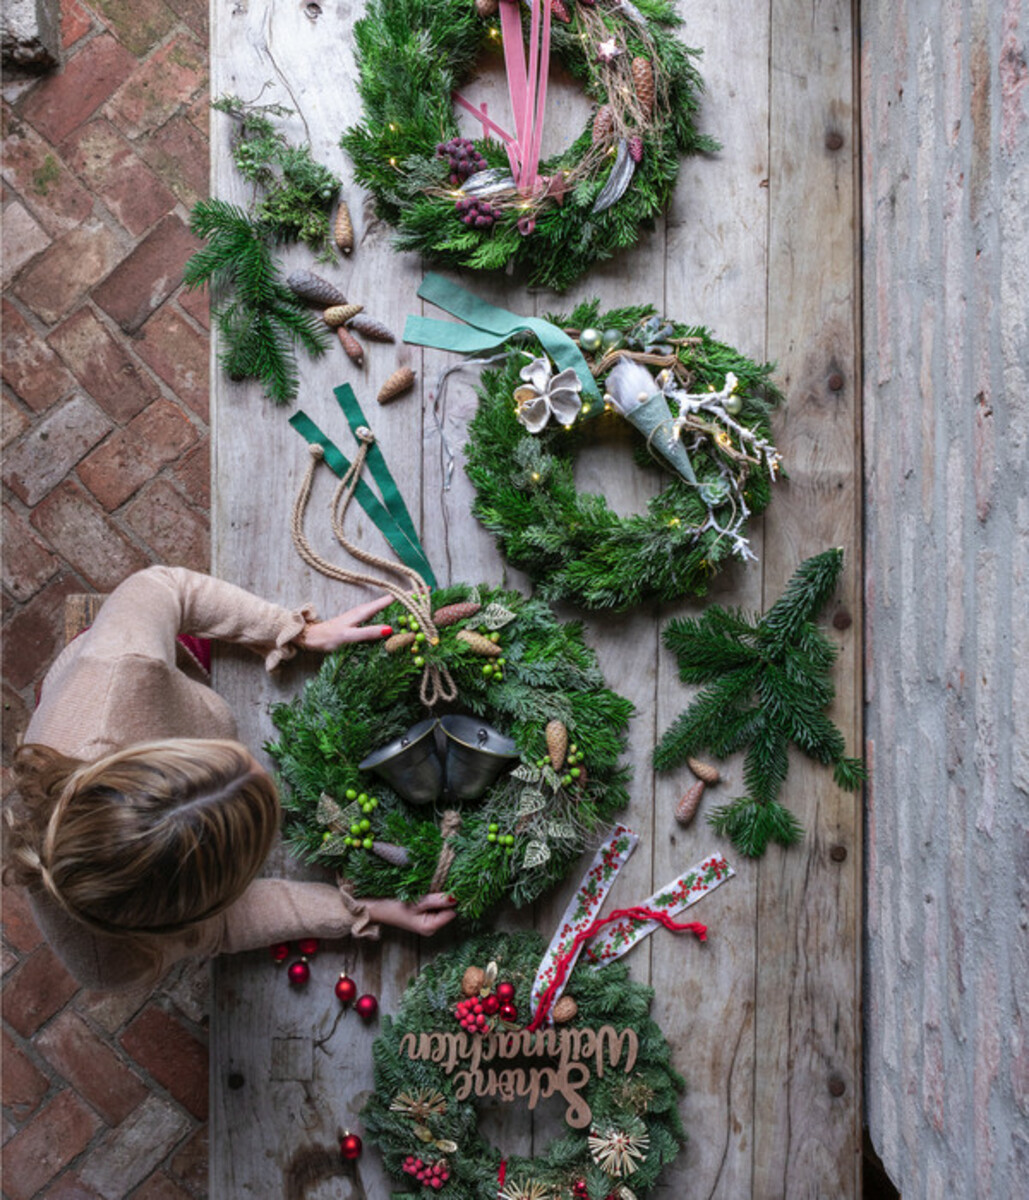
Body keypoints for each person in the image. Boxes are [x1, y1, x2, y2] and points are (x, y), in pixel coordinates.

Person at [2, 565, 456, 991]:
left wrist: (293, 629)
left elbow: (164, 586)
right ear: (191, 905)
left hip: (145, 665)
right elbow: (220, 928)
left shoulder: (126, 668)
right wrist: (360, 909)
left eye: (231, 759)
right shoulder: (114, 961)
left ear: (165, 752)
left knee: (195, 630)